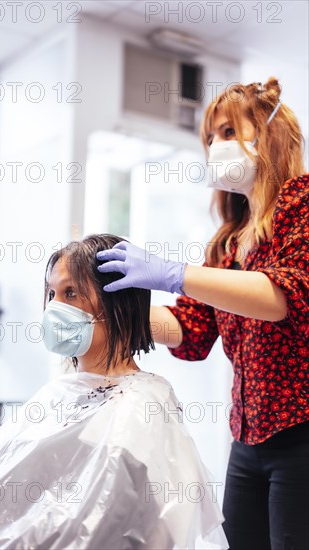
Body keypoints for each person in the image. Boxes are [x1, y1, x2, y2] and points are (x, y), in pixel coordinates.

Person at [96, 79, 309, 550]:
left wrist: (173, 273)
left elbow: (281, 298)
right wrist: (114, 316)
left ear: (272, 134)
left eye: (229, 132)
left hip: (301, 435)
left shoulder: (303, 207)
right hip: (248, 439)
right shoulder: (228, 243)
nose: (216, 147)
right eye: (210, 138)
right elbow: (191, 327)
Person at [0, 234, 228, 550]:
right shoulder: (61, 393)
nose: (53, 307)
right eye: (51, 293)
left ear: (116, 306)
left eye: (70, 293)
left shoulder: (139, 406)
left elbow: (106, 524)